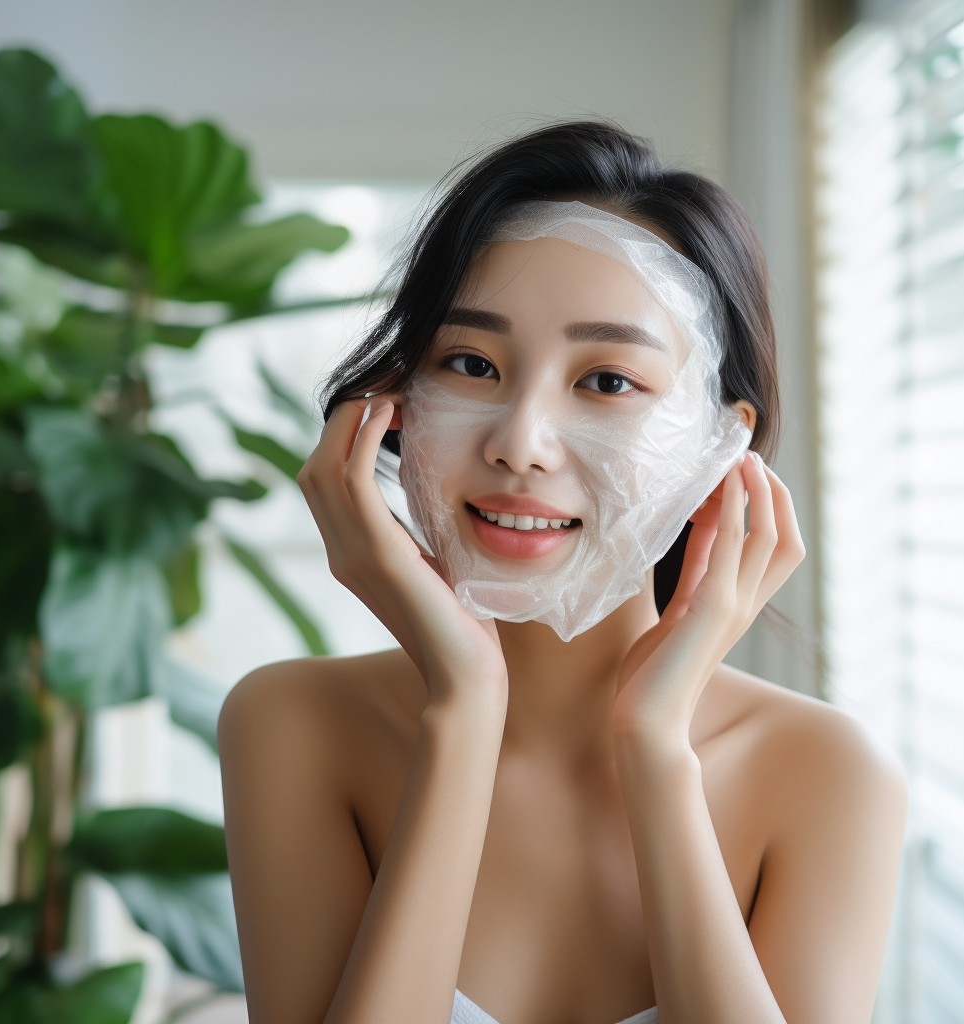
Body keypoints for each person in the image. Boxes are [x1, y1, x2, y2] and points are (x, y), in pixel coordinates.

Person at [218, 122, 907, 1024]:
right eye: (471, 363)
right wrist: (462, 711)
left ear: (719, 443)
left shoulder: (827, 774)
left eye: (608, 382)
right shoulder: (290, 724)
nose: (519, 444)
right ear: (393, 404)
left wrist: (656, 748)